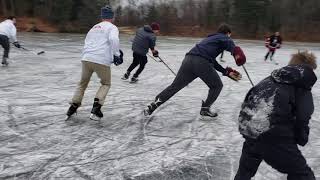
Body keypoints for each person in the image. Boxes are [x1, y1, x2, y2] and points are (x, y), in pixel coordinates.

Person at [234, 51, 317, 180]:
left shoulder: (269, 78)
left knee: (245, 172)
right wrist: (301, 137)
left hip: (250, 130)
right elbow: (303, 116)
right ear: (309, 69)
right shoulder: (302, 84)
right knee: (302, 174)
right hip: (273, 135)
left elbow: (249, 98)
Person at [144, 24, 246, 118]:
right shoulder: (223, 37)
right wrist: (238, 54)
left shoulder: (209, 38)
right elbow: (231, 46)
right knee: (217, 86)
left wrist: (225, 71)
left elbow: (212, 61)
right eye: (229, 35)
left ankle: (153, 105)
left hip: (188, 60)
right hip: (201, 62)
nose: (229, 37)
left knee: (175, 86)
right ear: (227, 33)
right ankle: (205, 109)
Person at [66, 6, 123, 121]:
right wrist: (116, 54)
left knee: (82, 83)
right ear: (112, 17)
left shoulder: (94, 27)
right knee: (106, 83)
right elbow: (114, 40)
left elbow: (87, 41)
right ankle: (96, 107)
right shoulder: (112, 27)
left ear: (102, 16)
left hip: (86, 58)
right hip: (101, 60)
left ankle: (73, 106)